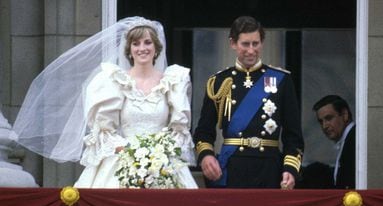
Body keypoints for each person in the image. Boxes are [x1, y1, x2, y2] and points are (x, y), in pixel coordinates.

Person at [12, 17, 197, 188]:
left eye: (148, 42)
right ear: (129, 50)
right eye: (136, 43)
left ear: (156, 47)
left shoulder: (173, 81)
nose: (142, 48)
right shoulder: (113, 81)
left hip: (163, 164)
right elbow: (104, 131)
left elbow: (179, 131)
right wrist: (131, 153)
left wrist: (160, 154)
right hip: (123, 160)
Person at [193, 16, 304, 189]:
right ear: (233, 43)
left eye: (256, 43)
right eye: (245, 44)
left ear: (262, 43)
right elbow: (203, 131)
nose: (251, 50)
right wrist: (206, 156)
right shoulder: (219, 81)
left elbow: (293, 135)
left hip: (269, 170)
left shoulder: (281, 79)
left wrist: (290, 168)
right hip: (232, 168)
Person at [312, 95, 355, 189]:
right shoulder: (347, 140)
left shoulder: (355, 140)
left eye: (329, 118)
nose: (324, 126)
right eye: (321, 122)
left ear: (344, 115)